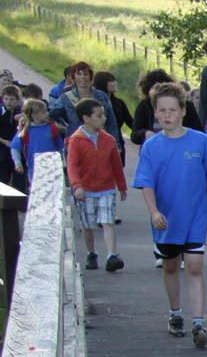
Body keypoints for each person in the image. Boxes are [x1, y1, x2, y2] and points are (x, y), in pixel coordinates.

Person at [133, 82, 207, 348]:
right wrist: (153, 212)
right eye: (162, 110)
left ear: (183, 110)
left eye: (172, 110)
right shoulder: (151, 146)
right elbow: (146, 183)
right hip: (166, 219)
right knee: (171, 266)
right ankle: (175, 314)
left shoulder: (200, 141)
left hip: (195, 215)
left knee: (194, 266)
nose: (167, 115)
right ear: (155, 113)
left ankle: (199, 323)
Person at [66, 98, 127, 273]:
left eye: (104, 115)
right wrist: (77, 186)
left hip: (106, 187)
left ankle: (111, 256)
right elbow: (72, 165)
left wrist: (121, 185)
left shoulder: (108, 140)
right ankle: (91, 253)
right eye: (99, 116)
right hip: (85, 189)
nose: (104, 118)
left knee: (108, 221)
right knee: (88, 223)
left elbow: (116, 164)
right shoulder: (76, 140)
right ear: (86, 118)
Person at [50, 60, 118, 141]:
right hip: (75, 143)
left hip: (99, 142)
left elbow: (111, 122)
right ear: (73, 77)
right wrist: (59, 128)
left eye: (85, 74)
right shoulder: (66, 98)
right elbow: (50, 115)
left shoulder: (102, 96)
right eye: (79, 74)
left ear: (90, 76)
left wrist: (115, 144)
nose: (82, 77)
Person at [8, 100, 63, 191]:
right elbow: (15, 147)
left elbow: (59, 148)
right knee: (37, 192)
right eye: (43, 112)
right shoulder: (25, 130)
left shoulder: (52, 127)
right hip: (34, 170)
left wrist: (61, 163)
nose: (47, 113)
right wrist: (17, 163)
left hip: (52, 170)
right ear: (33, 115)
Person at [94, 70, 133, 167]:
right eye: (111, 81)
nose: (116, 83)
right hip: (97, 144)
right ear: (103, 83)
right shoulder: (94, 103)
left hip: (117, 143)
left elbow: (131, 122)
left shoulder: (119, 103)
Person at [0, 84, 21, 190]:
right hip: (3, 148)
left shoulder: (20, 112)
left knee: (18, 178)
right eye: (6, 99)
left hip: (17, 148)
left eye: (12, 99)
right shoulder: (1, 111)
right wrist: (4, 141)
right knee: (2, 177)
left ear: (17, 100)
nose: (8, 102)